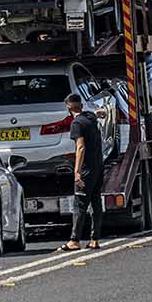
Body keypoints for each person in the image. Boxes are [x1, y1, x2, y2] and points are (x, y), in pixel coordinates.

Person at [63, 93, 105, 251]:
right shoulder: (90, 118)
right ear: (80, 105)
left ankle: (74, 240)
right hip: (98, 167)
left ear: (68, 107)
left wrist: (77, 172)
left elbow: (80, 147)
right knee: (95, 202)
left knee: (80, 205)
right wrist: (100, 112)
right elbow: (97, 113)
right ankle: (95, 239)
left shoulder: (77, 123)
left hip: (86, 170)